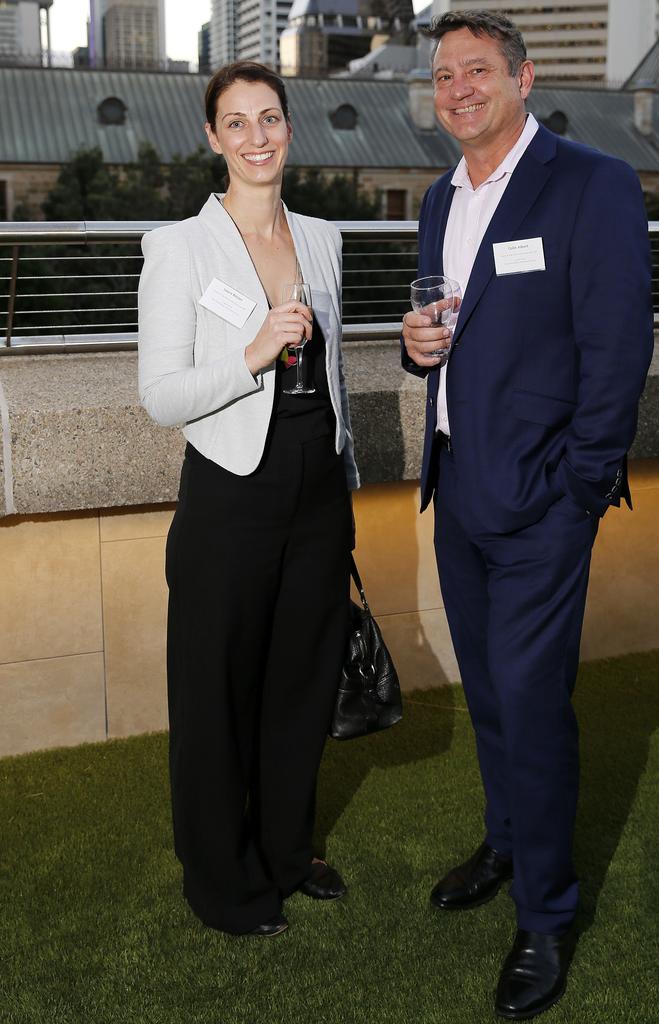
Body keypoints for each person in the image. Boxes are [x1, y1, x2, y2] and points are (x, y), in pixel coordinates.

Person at [401, 12, 654, 1020]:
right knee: (492, 693)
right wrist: (416, 347)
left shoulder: (591, 183)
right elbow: (452, 334)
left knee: (533, 702)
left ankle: (547, 916)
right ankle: (506, 842)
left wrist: (581, 488)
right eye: (444, 75)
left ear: (523, 76)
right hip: (459, 484)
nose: (458, 88)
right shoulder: (438, 197)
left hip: (545, 500)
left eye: (476, 71)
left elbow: (618, 343)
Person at [137, 61, 359, 939]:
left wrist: (342, 471)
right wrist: (255, 351)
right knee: (215, 691)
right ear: (213, 138)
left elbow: (335, 373)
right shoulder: (180, 247)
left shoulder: (323, 238)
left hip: (314, 487)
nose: (257, 137)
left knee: (300, 684)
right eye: (238, 122)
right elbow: (160, 396)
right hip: (230, 492)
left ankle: (284, 850)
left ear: (288, 129)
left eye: (270, 118)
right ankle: (220, 880)